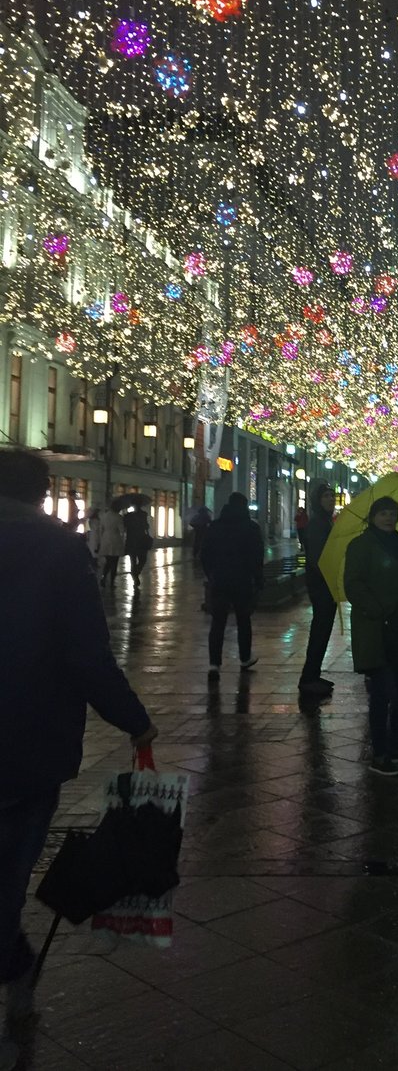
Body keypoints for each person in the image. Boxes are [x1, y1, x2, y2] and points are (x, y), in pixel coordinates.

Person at [0, 450, 156, 1071]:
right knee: (10, 867)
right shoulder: (60, 549)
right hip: (27, 740)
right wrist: (135, 721)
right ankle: (12, 968)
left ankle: (12, 965)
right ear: (42, 493)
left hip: (27, 742)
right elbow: (89, 656)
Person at [344, 496, 398, 776]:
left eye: (393, 513)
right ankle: (380, 753)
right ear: (372, 516)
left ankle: (396, 745)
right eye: (383, 513)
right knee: (382, 692)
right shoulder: (361, 545)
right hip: (377, 627)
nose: (389, 518)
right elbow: (353, 585)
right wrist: (378, 609)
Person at [200, 492, 265, 678]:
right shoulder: (251, 528)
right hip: (242, 581)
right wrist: (258, 580)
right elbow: (257, 557)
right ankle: (245, 658)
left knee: (218, 622)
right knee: (243, 621)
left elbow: (204, 554)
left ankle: (214, 664)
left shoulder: (215, 526)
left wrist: (211, 574)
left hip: (219, 580)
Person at [299, 482, 337, 695]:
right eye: (326, 496)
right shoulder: (317, 524)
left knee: (323, 631)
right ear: (317, 500)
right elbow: (316, 558)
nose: (330, 499)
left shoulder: (325, 521)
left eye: (332, 496)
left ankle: (313, 674)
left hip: (325, 582)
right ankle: (308, 678)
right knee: (320, 630)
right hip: (321, 584)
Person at [122, 504, 152, 591]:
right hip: (141, 540)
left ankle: (135, 574)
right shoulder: (143, 514)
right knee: (143, 559)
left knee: (133, 561)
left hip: (131, 541)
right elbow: (146, 526)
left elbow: (125, 527)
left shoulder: (128, 516)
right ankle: (136, 573)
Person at [96, 505, 126, 588]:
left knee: (108, 561)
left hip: (105, 539)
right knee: (114, 562)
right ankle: (112, 582)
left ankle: (104, 577)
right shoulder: (118, 517)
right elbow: (122, 530)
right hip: (115, 540)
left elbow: (100, 529)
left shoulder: (104, 516)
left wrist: (100, 540)